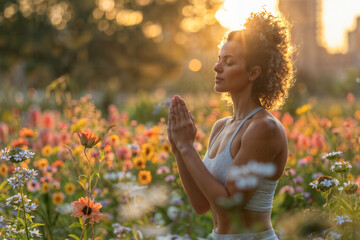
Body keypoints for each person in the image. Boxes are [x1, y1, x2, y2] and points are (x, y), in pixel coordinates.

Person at [167, 10, 295, 240]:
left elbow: (229, 205)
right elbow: (201, 205)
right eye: (219, 59)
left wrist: (188, 147)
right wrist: (178, 149)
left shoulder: (264, 128)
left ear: (253, 73)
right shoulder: (221, 127)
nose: (217, 68)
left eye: (229, 62)